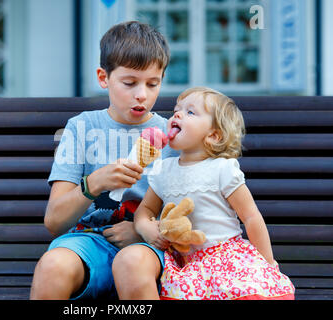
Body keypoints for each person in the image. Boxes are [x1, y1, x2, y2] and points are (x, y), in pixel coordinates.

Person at [30, 21, 178, 300]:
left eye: (152, 83)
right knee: (52, 267)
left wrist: (142, 230)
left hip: (148, 250)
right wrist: (94, 183)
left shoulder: (173, 137)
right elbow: (55, 221)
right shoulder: (81, 128)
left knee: (132, 264)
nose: (142, 95)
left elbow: (191, 215)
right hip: (87, 244)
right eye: (130, 83)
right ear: (103, 77)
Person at [131, 86, 295, 300]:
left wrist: (268, 263)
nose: (177, 114)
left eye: (190, 112)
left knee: (244, 293)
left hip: (224, 257)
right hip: (185, 266)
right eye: (176, 110)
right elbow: (145, 209)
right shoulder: (165, 169)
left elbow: (251, 217)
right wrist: (145, 227)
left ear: (214, 136)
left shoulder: (222, 169)